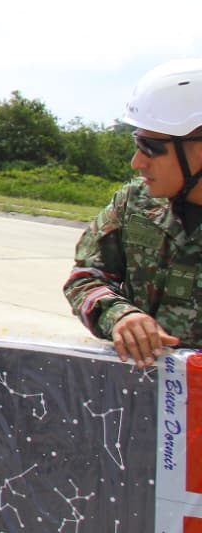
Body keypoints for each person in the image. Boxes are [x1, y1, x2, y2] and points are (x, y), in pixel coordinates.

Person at [64, 59, 202, 369]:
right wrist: (121, 316)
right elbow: (85, 278)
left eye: (150, 147)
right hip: (146, 400)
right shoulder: (134, 203)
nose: (137, 162)